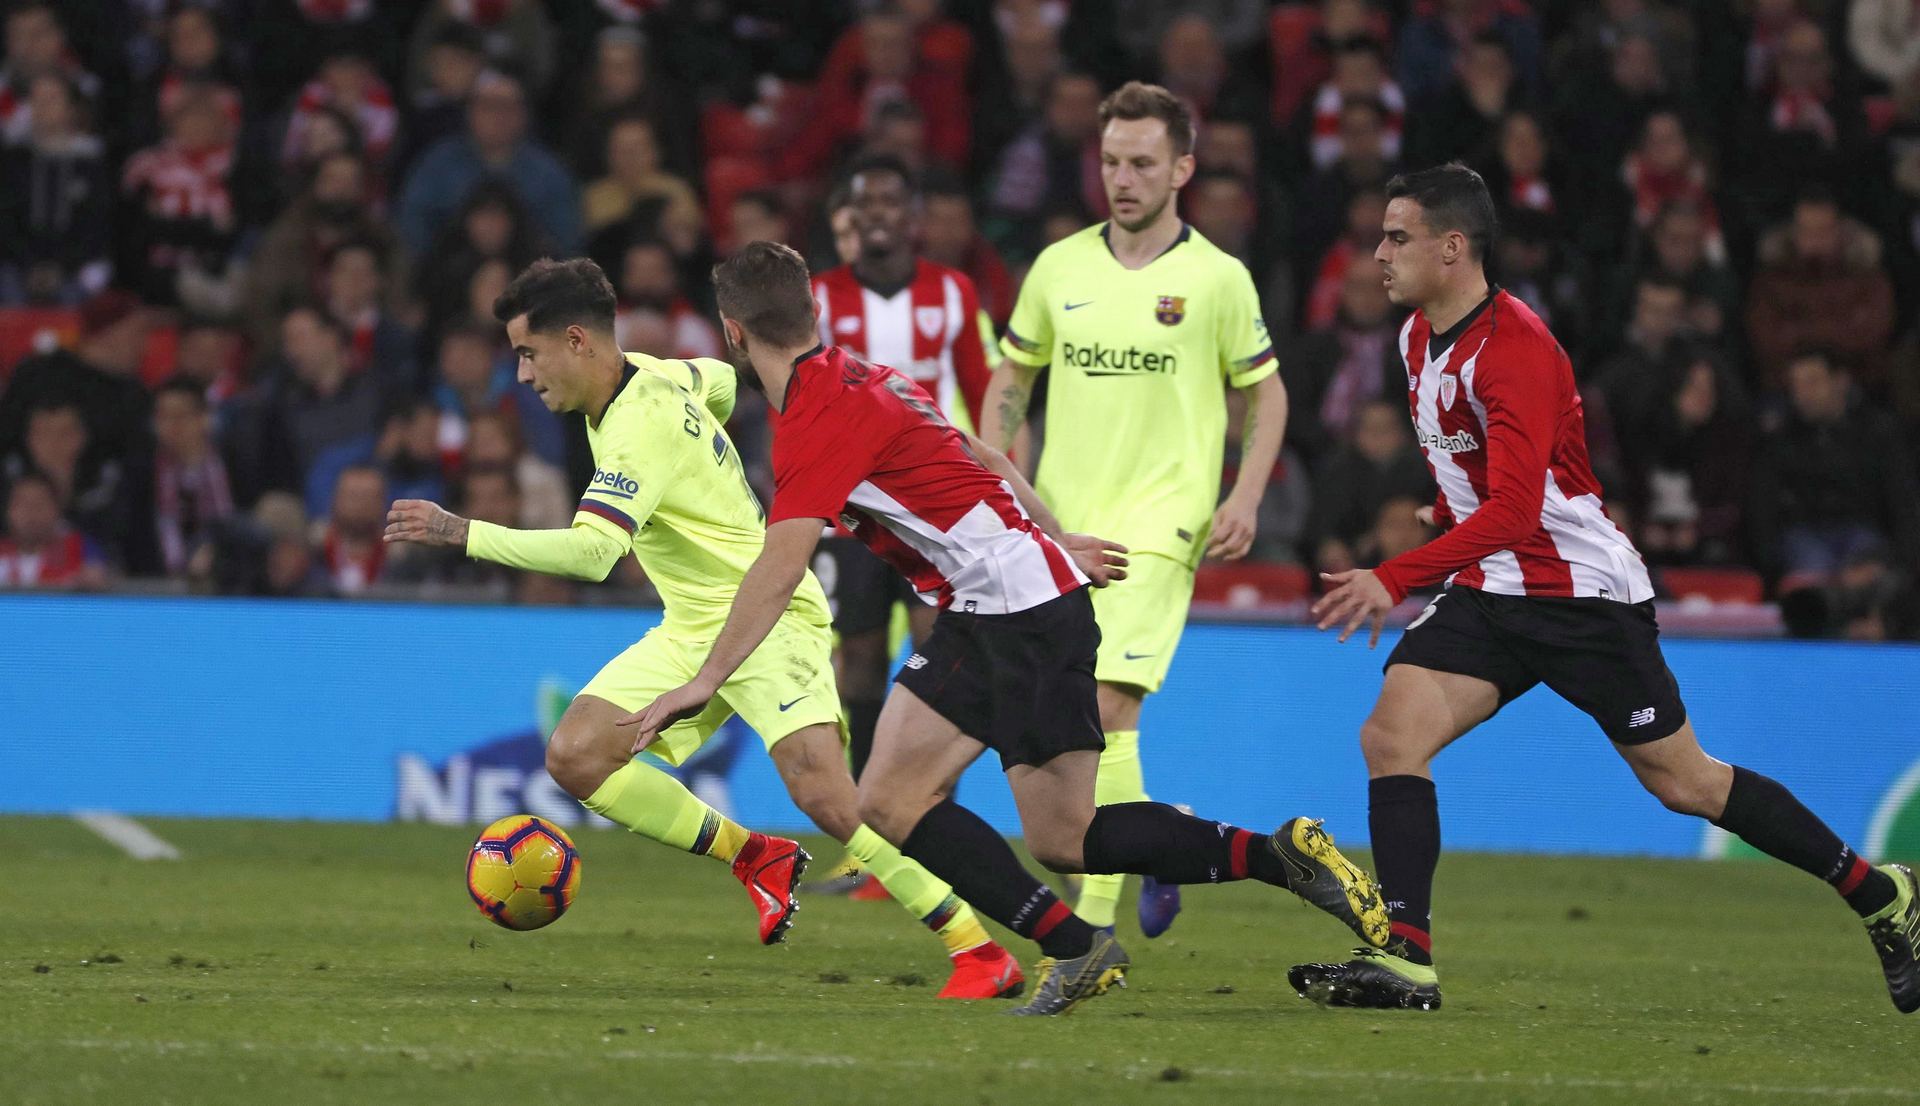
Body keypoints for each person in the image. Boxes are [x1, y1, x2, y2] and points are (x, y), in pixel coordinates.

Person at [624, 241, 1385, 1017]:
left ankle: (1268, 860)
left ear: (732, 334)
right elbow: (983, 453)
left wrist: (703, 680)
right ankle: (1086, 941)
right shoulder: (866, 376)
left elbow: (780, 566)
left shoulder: (816, 421)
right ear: (813, 310)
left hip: (1023, 617)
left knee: (1061, 837)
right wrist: (1057, 538)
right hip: (988, 610)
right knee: (894, 801)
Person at [1292, 163, 1920, 1013]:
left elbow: (1518, 511)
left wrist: (1394, 576)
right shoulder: (1415, 339)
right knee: (1392, 736)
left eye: (1397, 236)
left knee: (1684, 783)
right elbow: (1483, 479)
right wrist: (1444, 506)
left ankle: (1882, 895)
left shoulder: (1514, 350)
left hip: (1579, 595)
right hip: (1491, 588)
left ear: (1452, 247)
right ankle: (1409, 958)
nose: (1378, 254)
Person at [383, 258, 1024, 1001]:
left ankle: (977, 949)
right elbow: (720, 383)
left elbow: (595, 553)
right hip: (693, 624)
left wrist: (465, 533)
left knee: (828, 796)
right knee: (578, 753)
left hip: (769, 618)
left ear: (577, 340)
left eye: (529, 353)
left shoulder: (635, 428)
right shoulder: (662, 377)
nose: (522, 374)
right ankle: (756, 856)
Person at [976, 82, 1290, 938]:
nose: (1123, 178)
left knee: (1109, 707)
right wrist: (997, 466)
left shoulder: (1217, 280)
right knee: (1077, 721)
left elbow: (1266, 396)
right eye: (1111, 161)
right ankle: (1158, 839)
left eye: (1143, 163)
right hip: (1062, 527)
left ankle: (1091, 929)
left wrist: (1246, 493)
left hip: (1161, 527)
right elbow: (1014, 376)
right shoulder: (1060, 267)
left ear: (1183, 168)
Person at [805, 156, 1004, 894]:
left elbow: (985, 394)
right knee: (854, 660)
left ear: (912, 214)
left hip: (936, 512)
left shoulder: (952, 292)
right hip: (852, 514)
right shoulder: (820, 296)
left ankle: (925, 829)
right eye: (867, 201)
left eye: (893, 199)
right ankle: (869, 845)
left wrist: (996, 482)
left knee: (938, 660)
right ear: (851, 217)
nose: (879, 213)